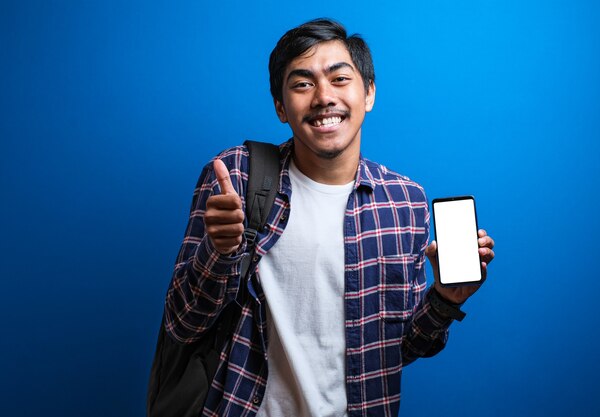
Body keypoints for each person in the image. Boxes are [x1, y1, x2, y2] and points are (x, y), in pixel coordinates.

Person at [164, 18, 495, 417]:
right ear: (281, 107)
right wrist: (218, 253)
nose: (323, 97)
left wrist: (445, 300)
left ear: (369, 93)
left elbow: (396, 350)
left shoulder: (404, 203)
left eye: (340, 79)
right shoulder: (238, 175)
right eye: (302, 84)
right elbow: (183, 324)